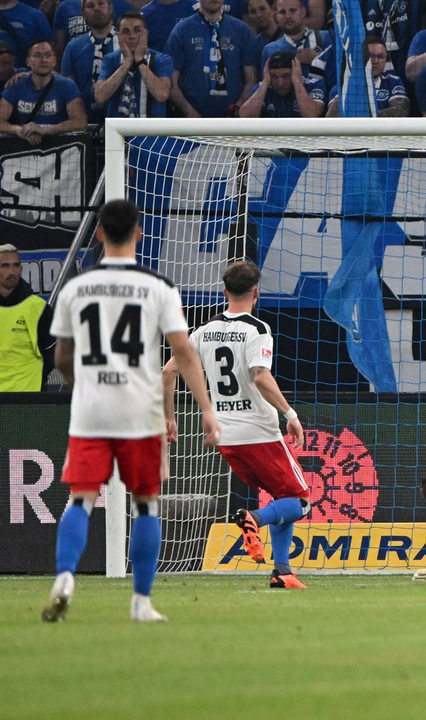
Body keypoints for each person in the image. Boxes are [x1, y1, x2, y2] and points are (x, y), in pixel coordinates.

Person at [42, 199, 220, 623]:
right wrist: (208, 413)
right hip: (140, 412)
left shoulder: (75, 288)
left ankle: (65, 577)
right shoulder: (158, 287)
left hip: (91, 411)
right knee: (146, 505)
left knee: (81, 499)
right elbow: (184, 353)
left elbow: (61, 358)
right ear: (139, 233)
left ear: (99, 233)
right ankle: (141, 603)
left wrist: (82, 386)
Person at [162, 260, 310, 590]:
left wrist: (169, 417)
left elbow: (168, 371)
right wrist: (291, 415)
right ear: (256, 292)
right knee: (301, 502)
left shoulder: (202, 332)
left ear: (225, 291)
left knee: (281, 497)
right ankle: (252, 520)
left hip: (226, 435)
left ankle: (283, 571)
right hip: (258, 431)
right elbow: (260, 376)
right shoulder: (256, 329)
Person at [165, 0, 260, 118]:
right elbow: (171, 83)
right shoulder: (182, 30)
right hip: (190, 121)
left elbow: (251, 80)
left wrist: (238, 108)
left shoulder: (241, 30)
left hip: (234, 120)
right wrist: (190, 112)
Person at [0, 40, 87, 146]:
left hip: (58, 148)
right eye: (37, 55)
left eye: (48, 55)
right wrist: (19, 130)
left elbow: (80, 122)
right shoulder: (16, 85)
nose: (43, 60)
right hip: (22, 150)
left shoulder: (67, 86)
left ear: (54, 61)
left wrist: (45, 130)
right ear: (28, 61)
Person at [95, 12, 173, 119]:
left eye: (137, 30)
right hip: (118, 131)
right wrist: (126, 63)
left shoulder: (162, 59)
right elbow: (100, 97)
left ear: (146, 33)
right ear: (118, 36)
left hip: (153, 131)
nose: (132, 36)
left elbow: (162, 95)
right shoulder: (110, 59)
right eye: (126, 31)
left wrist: (140, 61)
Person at [0, 243, 52, 392]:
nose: (12, 271)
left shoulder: (39, 308)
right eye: (5, 266)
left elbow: (56, 351)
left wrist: (38, 376)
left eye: (16, 266)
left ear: (21, 269)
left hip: (28, 401)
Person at [58, 0, 116, 124]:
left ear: (110, 8)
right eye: (90, 6)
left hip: (121, 120)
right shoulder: (73, 47)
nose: (96, 9)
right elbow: (68, 88)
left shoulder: (125, 43)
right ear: (83, 14)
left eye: (101, 4)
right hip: (85, 120)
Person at [326, 36, 408, 116]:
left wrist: (361, 116)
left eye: (380, 57)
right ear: (359, 58)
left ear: (386, 59)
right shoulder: (342, 87)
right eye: (370, 56)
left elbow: (401, 111)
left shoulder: (393, 82)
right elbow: (331, 119)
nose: (375, 61)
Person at [238, 50, 324, 116]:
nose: (280, 83)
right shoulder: (263, 87)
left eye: (285, 76)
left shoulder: (313, 85)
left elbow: (312, 115)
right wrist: (265, 83)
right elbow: (245, 115)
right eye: (274, 77)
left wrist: (297, 83)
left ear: (296, 72)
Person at [260, 0, 330, 75]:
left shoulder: (326, 38)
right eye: (282, 12)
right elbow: (266, 84)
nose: (288, 16)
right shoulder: (270, 50)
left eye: (292, 10)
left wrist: (318, 60)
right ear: (276, 16)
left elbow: (340, 75)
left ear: (303, 12)